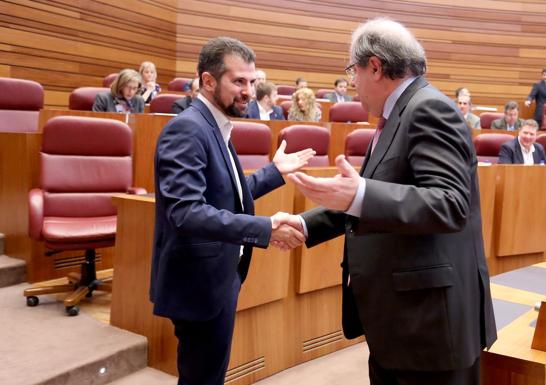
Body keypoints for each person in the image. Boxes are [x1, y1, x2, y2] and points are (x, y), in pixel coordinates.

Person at [283, 17, 497, 385]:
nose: (352, 83)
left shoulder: (429, 108)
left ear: (376, 67)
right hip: (401, 324)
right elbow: (372, 196)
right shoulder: (397, 114)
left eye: (353, 70)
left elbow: (449, 203)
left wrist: (361, 194)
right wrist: (305, 224)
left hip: (430, 330)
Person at [150, 37, 314, 385]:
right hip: (198, 285)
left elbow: (228, 196)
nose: (249, 92)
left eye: (252, 82)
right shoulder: (187, 129)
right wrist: (265, 229)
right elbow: (186, 213)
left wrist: (274, 171)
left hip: (220, 277)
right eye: (239, 81)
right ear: (208, 81)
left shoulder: (217, 127)